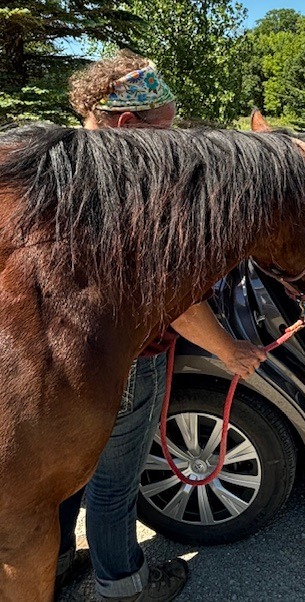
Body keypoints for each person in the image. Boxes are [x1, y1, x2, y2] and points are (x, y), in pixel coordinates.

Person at [55, 50, 267, 602]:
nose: (171, 146)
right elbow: (169, 298)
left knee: (66, 472)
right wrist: (229, 350)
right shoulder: (128, 191)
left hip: (64, 354)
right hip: (126, 360)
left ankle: (54, 562)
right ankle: (123, 585)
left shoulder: (61, 170)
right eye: (166, 132)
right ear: (126, 124)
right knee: (114, 486)